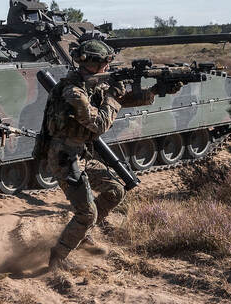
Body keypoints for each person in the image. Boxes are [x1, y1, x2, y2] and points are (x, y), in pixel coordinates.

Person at [36, 38, 180, 270]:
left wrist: (154, 91)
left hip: (80, 153)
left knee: (115, 191)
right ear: (92, 64)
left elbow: (121, 101)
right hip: (64, 157)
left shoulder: (90, 84)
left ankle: (82, 235)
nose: (108, 67)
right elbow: (100, 123)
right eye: (105, 63)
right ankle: (57, 258)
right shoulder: (73, 93)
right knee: (87, 212)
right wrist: (112, 95)